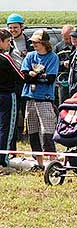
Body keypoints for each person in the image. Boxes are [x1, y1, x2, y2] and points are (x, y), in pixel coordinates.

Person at [21, 29, 59, 170]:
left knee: (47, 131)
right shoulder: (30, 56)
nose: (34, 45)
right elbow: (25, 76)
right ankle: (39, 162)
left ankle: (52, 162)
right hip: (30, 98)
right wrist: (37, 76)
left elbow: (50, 79)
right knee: (33, 130)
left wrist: (34, 76)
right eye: (33, 42)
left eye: (37, 42)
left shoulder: (53, 57)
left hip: (45, 98)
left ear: (44, 43)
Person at [6, 13, 33, 153]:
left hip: (27, 81)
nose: (13, 30)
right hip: (12, 82)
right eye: (10, 27)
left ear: (22, 27)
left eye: (15, 27)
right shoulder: (6, 42)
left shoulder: (30, 43)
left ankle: (30, 140)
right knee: (13, 114)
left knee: (28, 112)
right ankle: (12, 148)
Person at [0, 29, 24, 167]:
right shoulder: (6, 58)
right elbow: (20, 76)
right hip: (6, 96)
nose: (9, 44)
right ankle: (3, 161)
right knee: (6, 128)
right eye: (8, 41)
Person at [54, 25, 74, 104]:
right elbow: (53, 64)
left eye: (70, 38)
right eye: (65, 38)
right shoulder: (58, 47)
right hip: (63, 82)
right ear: (62, 35)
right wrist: (63, 63)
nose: (68, 40)